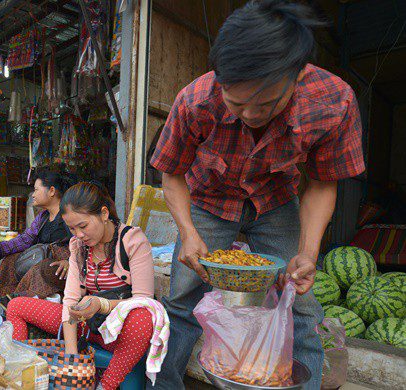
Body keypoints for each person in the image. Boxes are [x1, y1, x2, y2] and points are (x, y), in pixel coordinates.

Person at [148, 2, 365, 389]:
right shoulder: (195, 99)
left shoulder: (334, 103)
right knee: (182, 300)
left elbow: (322, 183)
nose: (249, 114)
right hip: (209, 201)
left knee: (297, 300)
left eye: (266, 104)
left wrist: (308, 252)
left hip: (276, 201)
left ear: (297, 76)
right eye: (236, 103)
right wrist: (189, 232)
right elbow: (172, 173)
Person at [6, 182, 155, 390]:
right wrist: (71, 357)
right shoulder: (77, 246)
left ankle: (106, 385)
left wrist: (101, 304)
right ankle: (19, 377)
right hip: (87, 324)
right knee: (16, 307)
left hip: (118, 332)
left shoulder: (132, 240)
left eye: (83, 226)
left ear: (103, 214)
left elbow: (144, 300)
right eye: (72, 228)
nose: (79, 234)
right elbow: (70, 300)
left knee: (144, 317)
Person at [0, 170, 73, 300]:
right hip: (41, 260)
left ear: (52, 191)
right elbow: (26, 239)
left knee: (40, 269)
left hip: (59, 269)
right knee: (10, 260)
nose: (33, 195)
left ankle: (15, 303)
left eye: (36, 190)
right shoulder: (43, 216)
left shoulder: (70, 215)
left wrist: (70, 262)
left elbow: (83, 243)